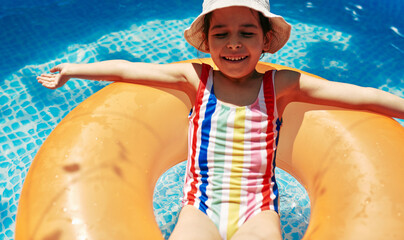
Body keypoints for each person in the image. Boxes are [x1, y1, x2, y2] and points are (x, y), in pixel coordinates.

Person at [37, 0, 404, 239]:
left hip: (258, 209)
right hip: (200, 204)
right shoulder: (195, 79)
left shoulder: (281, 85)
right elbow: (128, 70)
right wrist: (73, 69)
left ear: (265, 41)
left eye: (247, 33)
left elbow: (359, 96)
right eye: (221, 34)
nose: (233, 43)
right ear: (207, 42)